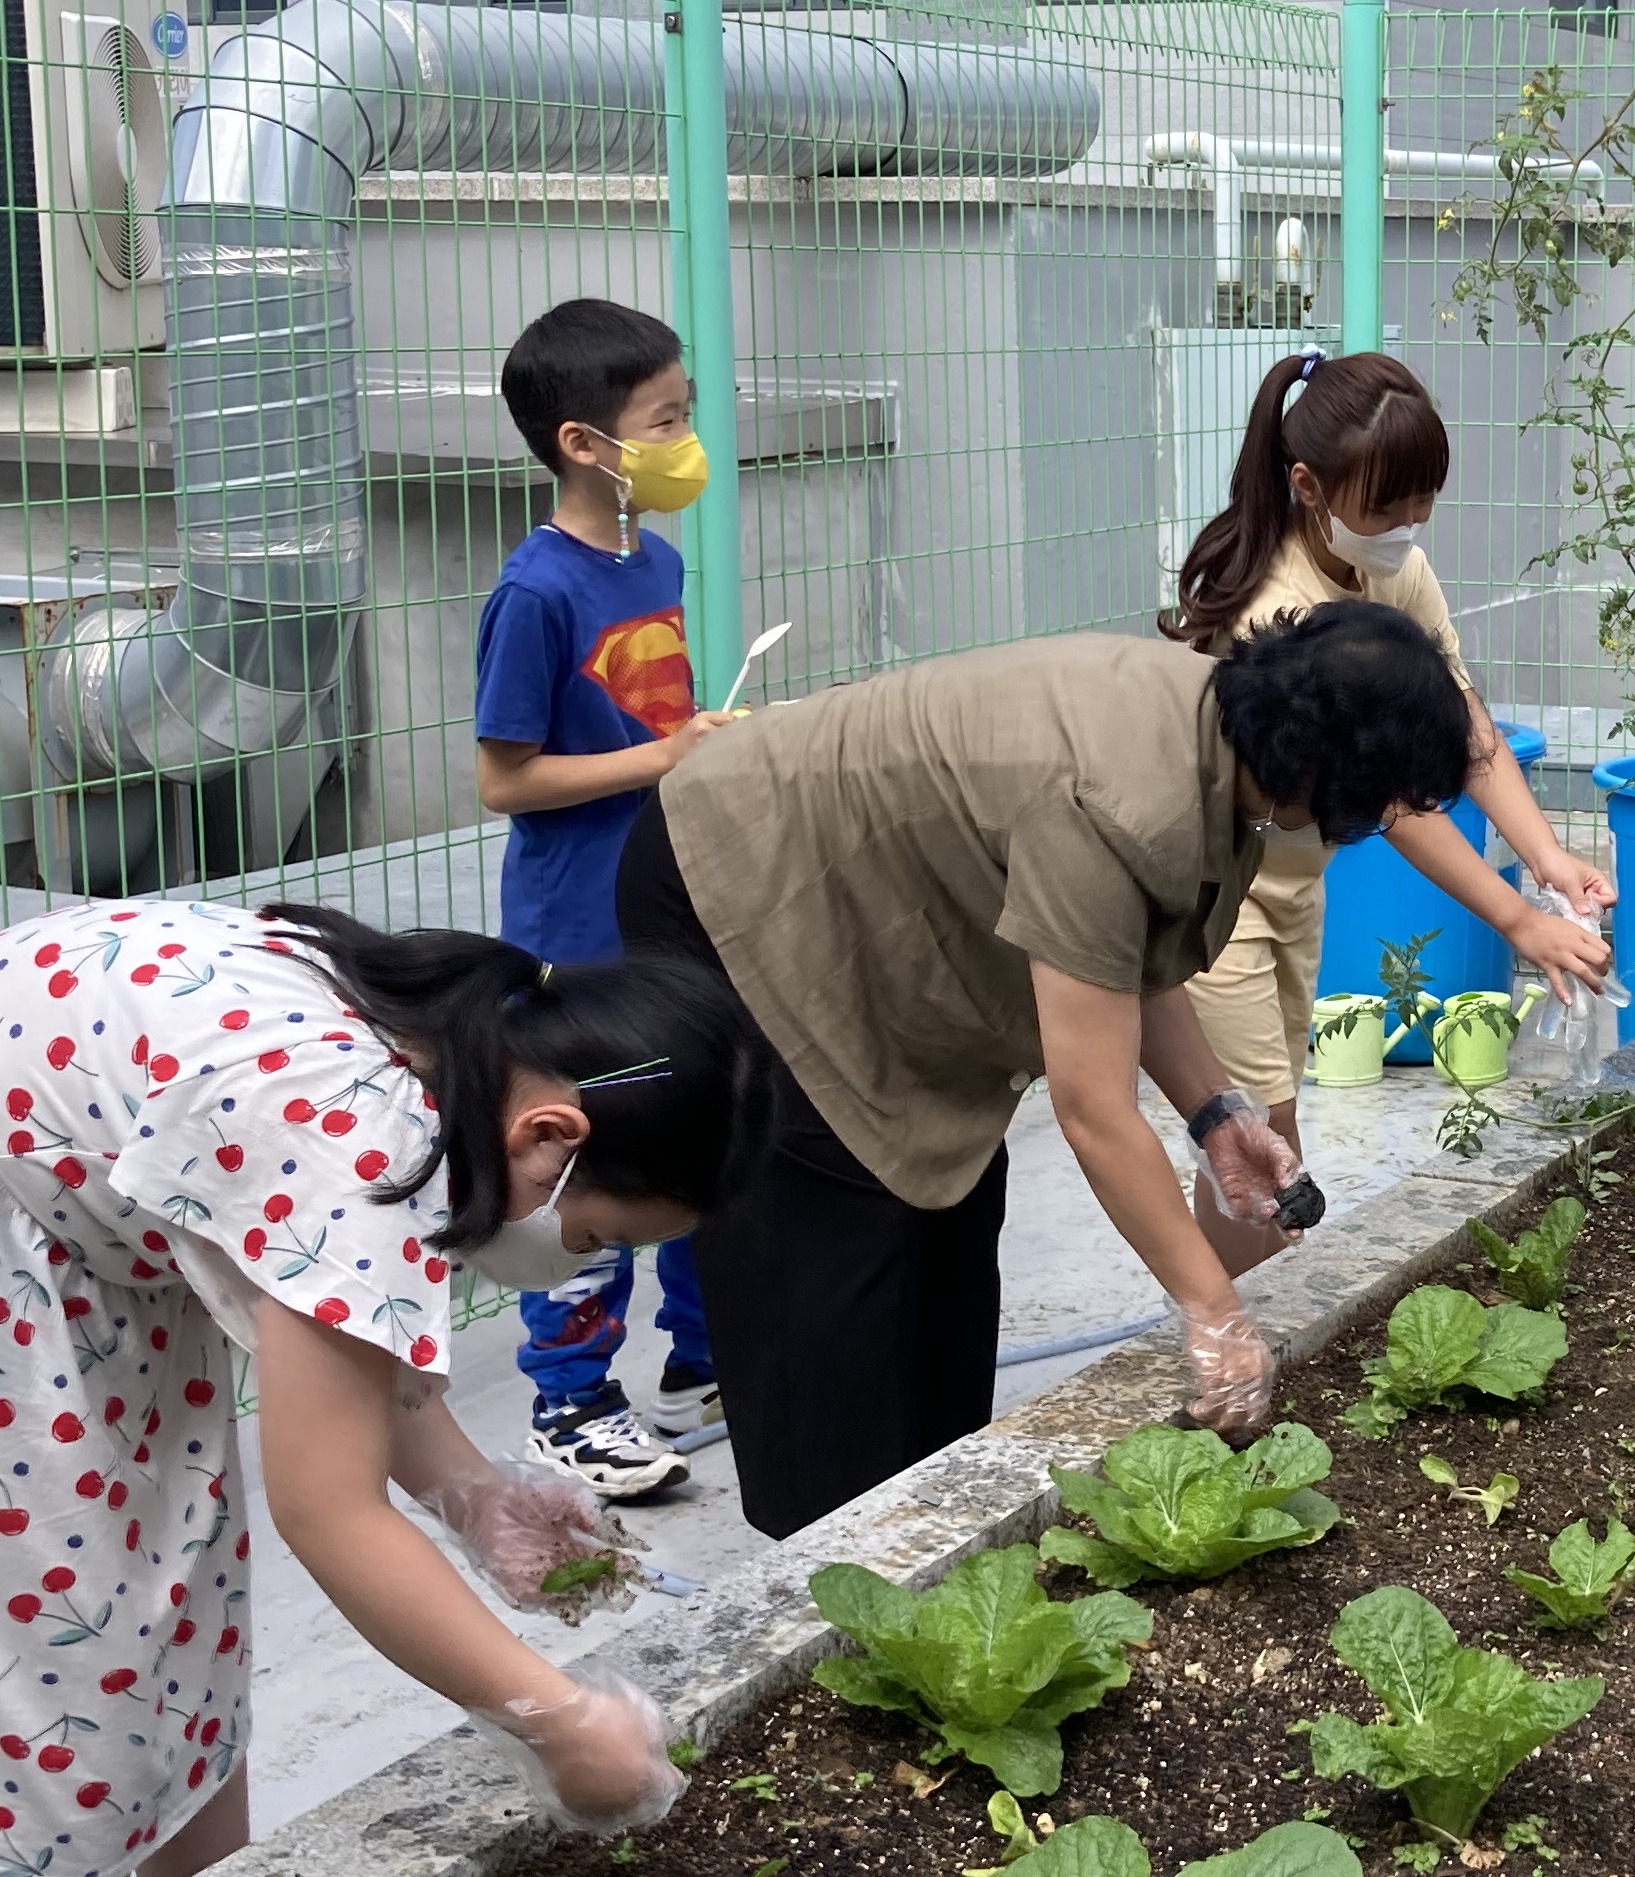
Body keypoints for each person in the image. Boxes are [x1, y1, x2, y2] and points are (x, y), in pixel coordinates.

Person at [0, 896, 761, 1877]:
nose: (584, 1260)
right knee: (47, 1621)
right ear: (549, 1137)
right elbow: (329, 1511)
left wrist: (473, 1492)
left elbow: (341, 1345)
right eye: (595, 1236)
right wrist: (557, 1720)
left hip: (64, 1177)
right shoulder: (362, 1142)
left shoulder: (457, 1043)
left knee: (176, 1553)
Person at [623, 599, 1475, 1539]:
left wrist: (1215, 1114)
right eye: (1368, 806)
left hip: (862, 883)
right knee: (832, 1207)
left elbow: (1121, 951)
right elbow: (1094, 1111)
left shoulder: (1224, 732)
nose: (1360, 829)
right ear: (1318, 771)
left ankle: (935, 1514)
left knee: (946, 1193)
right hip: (741, 870)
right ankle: (832, 1550)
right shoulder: (1115, 797)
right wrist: (1214, 1312)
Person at [1162, 350, 1614, 1267]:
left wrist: (1547, 858)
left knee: (1263, 1125)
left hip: (1294, 881)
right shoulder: (1274, 610)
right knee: (1263, 1139)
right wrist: (1517, 919)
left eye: (1423, 500)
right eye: (1389, 504)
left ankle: (1240, 1314)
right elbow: (1396, 802)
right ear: (1308, 485)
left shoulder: (1393, 570)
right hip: (1216, 895)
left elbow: (1463, 723)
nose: (1411, 524)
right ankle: (1238, 1327)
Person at [473, 297, 743, 1500]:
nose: (688, 441)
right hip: (576, 941)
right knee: (590, 1160)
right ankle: (570, 1401)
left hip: (670, 911)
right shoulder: (534, 594)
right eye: (665, 421)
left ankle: (703, 1363)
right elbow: (505, 779)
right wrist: (660, 758)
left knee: (694, 1132)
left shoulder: (657, 561)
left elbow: (654, 735)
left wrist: (699, 752)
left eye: (687, 412)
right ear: (584, 444)